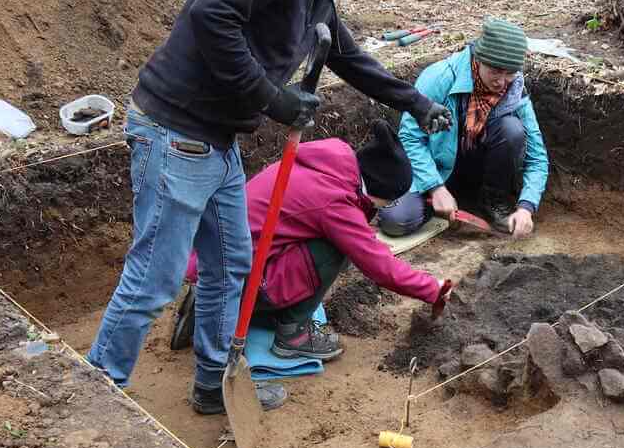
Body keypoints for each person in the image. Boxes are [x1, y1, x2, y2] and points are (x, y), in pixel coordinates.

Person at [86, 0, 451, 415]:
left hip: (217, 142)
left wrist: (412, 102)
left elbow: (348, 59)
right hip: (175, 131)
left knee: (232, 266)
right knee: (155, 278)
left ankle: (213, 385)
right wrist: (272, 97)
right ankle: (94, 392)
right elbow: (212, 16)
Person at [174, 124, 452, 361]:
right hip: (237, 275)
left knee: (327, 239)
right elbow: (378, 265)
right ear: (378, 190)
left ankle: (210, 301)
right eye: (387, 202)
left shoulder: (331, 161)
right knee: (336, 248)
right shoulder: (334, 202)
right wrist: (433, 288)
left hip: (209, 259)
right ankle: (292, 335)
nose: (383, 209)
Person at [377, 18, 549, 240]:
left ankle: (492, 200)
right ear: (478, 58)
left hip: (481, 167)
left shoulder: (515, 91)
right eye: (496, 71)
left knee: (512, 130)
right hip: (437, 169)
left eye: (510, 72)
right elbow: (410, 138)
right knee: (395, 221)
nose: (502, 82)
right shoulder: (439, 78)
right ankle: (442, 198)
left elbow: (537, 156)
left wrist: (527, 207)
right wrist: (435, 188)